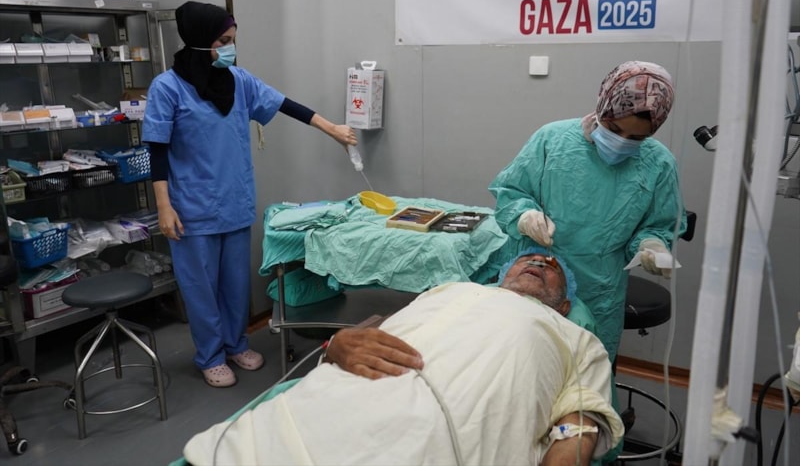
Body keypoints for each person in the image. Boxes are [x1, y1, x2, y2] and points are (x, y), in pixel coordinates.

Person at [182, 250, 624, 466]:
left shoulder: (574, 338)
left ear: (565, 305)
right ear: (502, 275)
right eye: (530, 257)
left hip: (448, 428)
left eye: (551, 267)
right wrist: (336, 345)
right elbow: (381, 332)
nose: (540, 261)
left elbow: (580, 426)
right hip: (355, 390)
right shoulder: (451, 291)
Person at [142, 1, 357, 388]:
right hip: (191, 208)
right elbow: (157, 148)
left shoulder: (238, 82)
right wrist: (163, 206)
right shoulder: (168, 87)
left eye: (233, 40)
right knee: (200, 289)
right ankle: (210, 356)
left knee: (235, 286)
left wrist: (333, 130)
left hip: (234, 201)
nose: (231, 48)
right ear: (199, 41)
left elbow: (285, 104)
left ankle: (236, 344)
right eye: (223, 41)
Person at [488, 60, 687, 365]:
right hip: (536, 276)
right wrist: (524, 217)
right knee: (518, 363)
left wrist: (651, 244)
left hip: (600, 289)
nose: (621, 143)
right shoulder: (551, 140)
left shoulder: (659, 164)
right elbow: (511, 192)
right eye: (614, 129)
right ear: (603, 106)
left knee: (586, 370)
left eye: (636, 139)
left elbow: (658, 224)